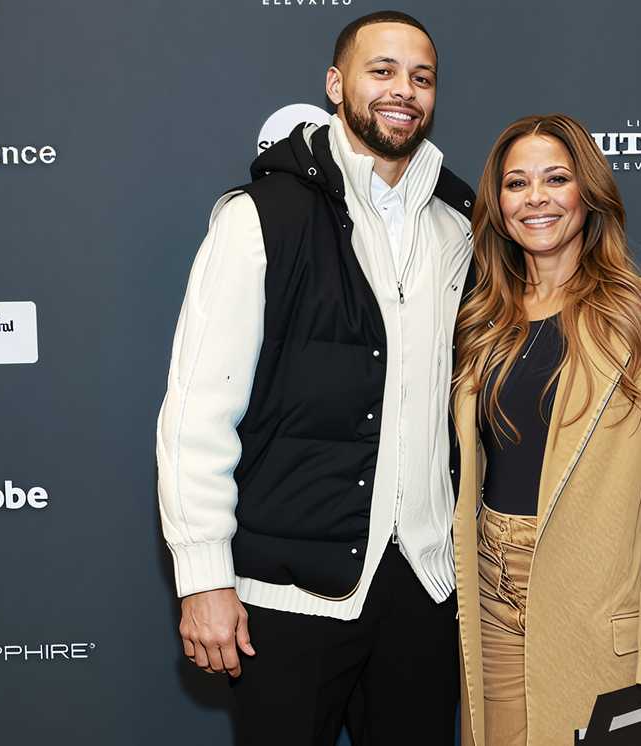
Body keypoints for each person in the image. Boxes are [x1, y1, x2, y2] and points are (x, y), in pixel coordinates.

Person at [155, 11, 476, 745]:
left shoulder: (457, 228)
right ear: (337, 85)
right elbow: (197, 413)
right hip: (289, 595)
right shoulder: (259, 218)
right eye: (383, 70)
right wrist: (204, 577)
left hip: (423, 589)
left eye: (421, 77)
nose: (404, 90)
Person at [449, 113, 641, 746]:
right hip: (491, 604)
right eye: (516, 183)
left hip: (600, 610)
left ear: (589, 193)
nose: (536, 198)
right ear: (498, 204)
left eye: (556, 178)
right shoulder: (478, 323)